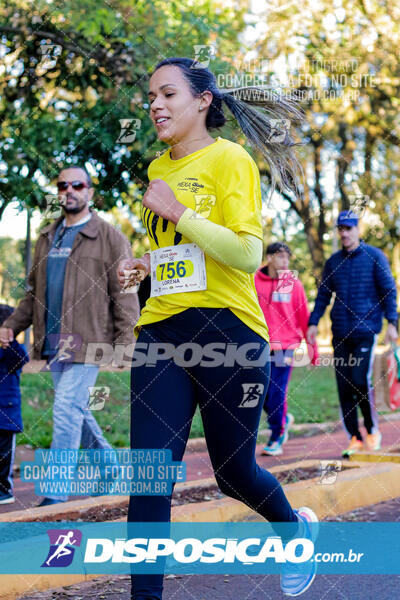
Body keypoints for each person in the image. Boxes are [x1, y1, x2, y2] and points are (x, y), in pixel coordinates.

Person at [117, 57, 319, 599]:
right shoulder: (159, 170)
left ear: (203, 100)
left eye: (167, 94)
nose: (155, 105)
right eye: (151, 96)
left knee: (234, 473)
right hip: (161, 332)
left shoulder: (232, 160)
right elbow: (185, 258)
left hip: (228, 335)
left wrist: (180, 212)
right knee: (150, 477)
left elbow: (247, 252)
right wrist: (146, 264)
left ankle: (292, 531)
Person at [0, 166, 139, 505]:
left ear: (90, 191)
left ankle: (55, 493)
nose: (69, 190)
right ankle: (109, 468)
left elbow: (127, 290)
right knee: (76, 410)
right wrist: (11, 326)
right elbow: (33, 294)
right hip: (53, 343)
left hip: (89, 341)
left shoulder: (109, 237)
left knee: (65, 411)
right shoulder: (48, 237)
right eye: (63, 185)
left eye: (78, 184)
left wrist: (126, 343)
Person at [307, 210, 398, 457]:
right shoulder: (333, 262)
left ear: (358, 229)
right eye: (341, 229)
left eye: (349, 228)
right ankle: (354, 438)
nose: (344, 233)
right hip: (340, 333)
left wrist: (393, 322)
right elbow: (324, 295)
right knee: (344, 386)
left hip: (366, 331)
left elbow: (389, 291)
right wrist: (313, 322)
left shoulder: (375, 257)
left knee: (359, 380)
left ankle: (371, 430)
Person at [255, 242, 318, 456]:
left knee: (276, 391)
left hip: (287, 345)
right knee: (261, 391)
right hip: (261, 344)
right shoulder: (254, 280)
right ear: (270, 257)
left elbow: (303, 319)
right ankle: (283, 418)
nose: (286, 262)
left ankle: (277, 435)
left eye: (288, 258)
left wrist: (313, 350)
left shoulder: (291, 282)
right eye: (281, 257)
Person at [0, 304, 29, 504]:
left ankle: (4, 490)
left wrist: (8, 343)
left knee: (4, 454)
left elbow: (22, 359)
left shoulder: (13, 350)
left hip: (6, 412)